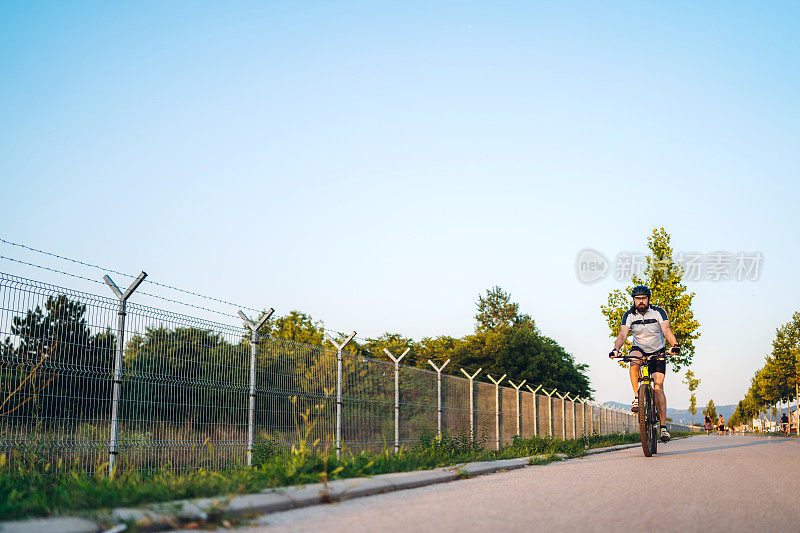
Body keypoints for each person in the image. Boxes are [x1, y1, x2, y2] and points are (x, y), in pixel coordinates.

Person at [609, 285, 680, 443]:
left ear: (648, 299)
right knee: (634, 361)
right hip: (639, 349)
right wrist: (616, 349)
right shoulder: (629, 315)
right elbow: (622, 333)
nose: (641, 301)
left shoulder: (658, 312)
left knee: (658, 387)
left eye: (643, 298)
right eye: (637, 299)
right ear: (633, 300)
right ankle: (637, 397)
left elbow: (666, 330)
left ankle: (663, 428)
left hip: (658, 350)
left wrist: (674, 345)